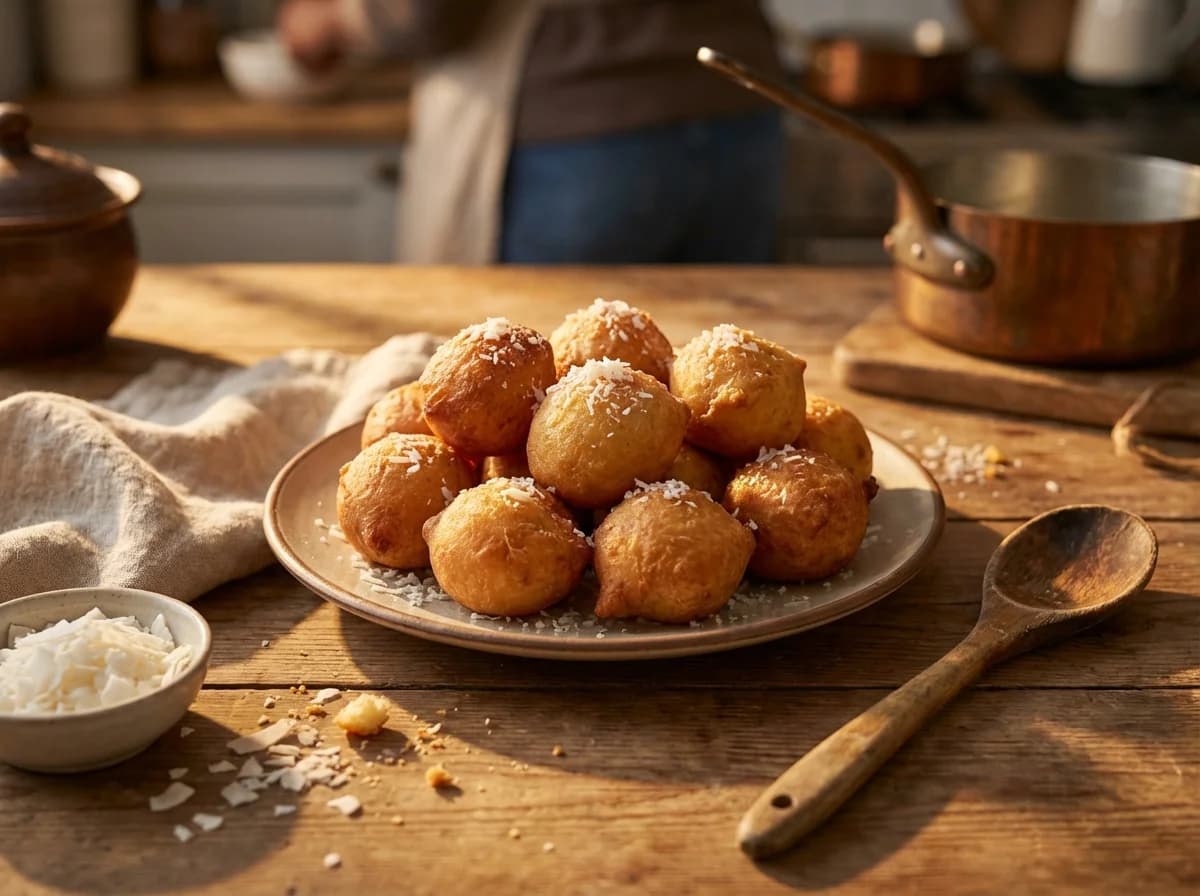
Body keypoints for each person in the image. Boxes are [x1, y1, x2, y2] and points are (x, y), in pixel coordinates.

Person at [279, 0, 785, 264]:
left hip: (583, 128)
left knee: (534, 400)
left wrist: (330, 19)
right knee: (724, 415)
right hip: (741, 104)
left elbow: (428, 14)